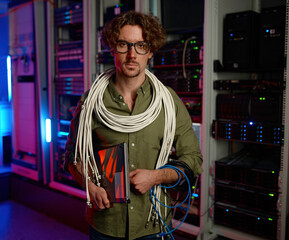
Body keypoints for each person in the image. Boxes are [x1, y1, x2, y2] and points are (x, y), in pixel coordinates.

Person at [64, 10, 203, 240]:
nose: (131, 54)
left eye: (140, 45)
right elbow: (71, 157)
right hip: (106, 225)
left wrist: (155, 177)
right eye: (123, 45)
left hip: (153, 223)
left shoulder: (168, 101)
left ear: (150, 51)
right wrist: (90, 186)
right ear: (112, 48)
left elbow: (193, 160)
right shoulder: (92, 101)